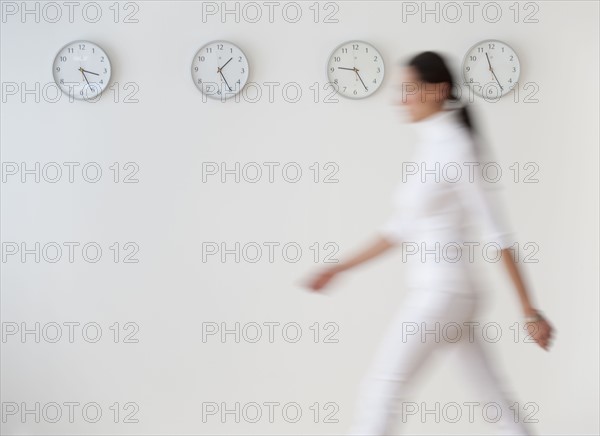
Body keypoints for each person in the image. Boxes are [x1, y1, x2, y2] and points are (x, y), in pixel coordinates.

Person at [304, 51, 554, 435]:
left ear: (437, 90)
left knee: (381, 389)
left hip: (442, 291)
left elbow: (496, 233)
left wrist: (529, 311)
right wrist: (339, 267)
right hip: (453, 294)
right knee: (494, 401)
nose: (400, 99)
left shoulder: (457, 147)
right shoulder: (433, 145)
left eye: (408, 89)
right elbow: (398, 229)